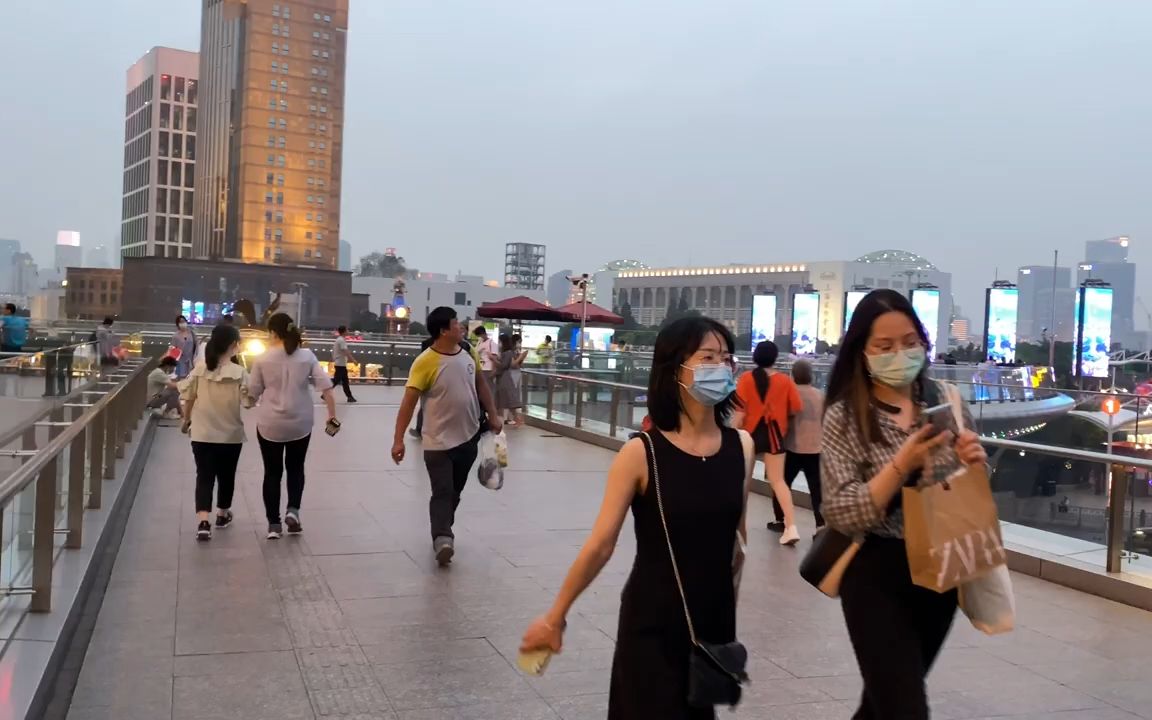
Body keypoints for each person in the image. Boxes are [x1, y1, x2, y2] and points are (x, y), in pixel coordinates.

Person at [521, 317, 752, 720]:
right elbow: (600, 545)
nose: (721, 367)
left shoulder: (742, 447)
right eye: (708, 357)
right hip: (653, 623)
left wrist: (727, 618)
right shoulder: (642, 453)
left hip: (711, 626)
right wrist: (555, 616)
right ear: (674, 368)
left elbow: (737, 545)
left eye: (727, 358)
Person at [820, 289, 986, 719]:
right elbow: (839, 509)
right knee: (905, 707)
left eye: (910, 341)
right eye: (885, 346)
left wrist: (974, 464)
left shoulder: (948, 401)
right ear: (862, 351)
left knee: (883, 703)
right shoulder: (845, 415)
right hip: (875, 570)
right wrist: (901, 465)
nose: (901, 352)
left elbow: (967, 494)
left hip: (939, 568)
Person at [392, 307, 502, 566]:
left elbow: (481, 386)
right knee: (442, 490)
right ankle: (442, 536)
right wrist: (398, 440)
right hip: (437, 441)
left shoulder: (468, 353)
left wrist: (494, 414)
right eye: (455, 323)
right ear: (443, 330)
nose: (461, 326)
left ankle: (443, 526)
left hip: (469, 437)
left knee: (455, 491)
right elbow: (408, 403)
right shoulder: (425, 362)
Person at [247, 313, 338, 540]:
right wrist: (332, 416)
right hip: (300, 422)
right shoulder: (307, 356)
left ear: (274, 333)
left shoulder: (262, 359)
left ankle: (273, 525)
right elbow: (326, 388)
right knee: (296, 468)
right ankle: (293, 511)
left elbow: (252, 393)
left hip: (270, 424)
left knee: (272, 472)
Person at [731, 340, 802, 546]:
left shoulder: (745, 379)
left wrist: (732, 435)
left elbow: (739, 413)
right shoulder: (785, 381)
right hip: (774, 433)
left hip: (749, 435)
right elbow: (796, 407)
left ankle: (736, 524)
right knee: (778, 482)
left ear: (755, 358)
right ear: (775, 358)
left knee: (743, 481)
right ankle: (791, 527)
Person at [181, 325, 248, 541]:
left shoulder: (200, 368)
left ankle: (203, 522)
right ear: (232, 345)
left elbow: (189, 397)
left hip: (202, 433)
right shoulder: (239, 373)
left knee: (204, 476)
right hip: (230, 435)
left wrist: (186, 420)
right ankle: (222, 514)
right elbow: (248, 402)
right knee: (226, 476)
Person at [783, 359, 824, 532]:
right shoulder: (821, 395)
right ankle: (820, 525)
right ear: (811, 375)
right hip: (816, 448)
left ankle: (783, 522)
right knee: (817, 489)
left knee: (783, 484)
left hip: (792, 447)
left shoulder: (789, 394)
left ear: (793, 375)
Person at [494, 334, 525, 427]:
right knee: (501, 401)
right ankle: (500, 420)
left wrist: (494, 360)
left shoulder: (507, 353)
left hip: (505, 379)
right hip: (502, 378)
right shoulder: (506, 353)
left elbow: (504, 366)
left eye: (500, 341)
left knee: (508, 400)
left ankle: (517, 419)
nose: (498, 344)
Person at [331, 325, 358, 403]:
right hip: (340, 364)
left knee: (344, 381)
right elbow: (345, 351)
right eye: (347, 330)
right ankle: (325, 394)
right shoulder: (341, 340)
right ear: (344, 331)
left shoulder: (339, 340)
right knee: (336, 381)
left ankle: (349, 397)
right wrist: (353, 360)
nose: (348, 331)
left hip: (341, 363)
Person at [473, 326, 496, 394]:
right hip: (480, 368)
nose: (479, 337)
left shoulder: (491, 343)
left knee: (488, 389)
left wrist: (493, 371)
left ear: (483, 333)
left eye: (479, 335)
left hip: (488, 369)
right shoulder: (479, 342)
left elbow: (494, 358)